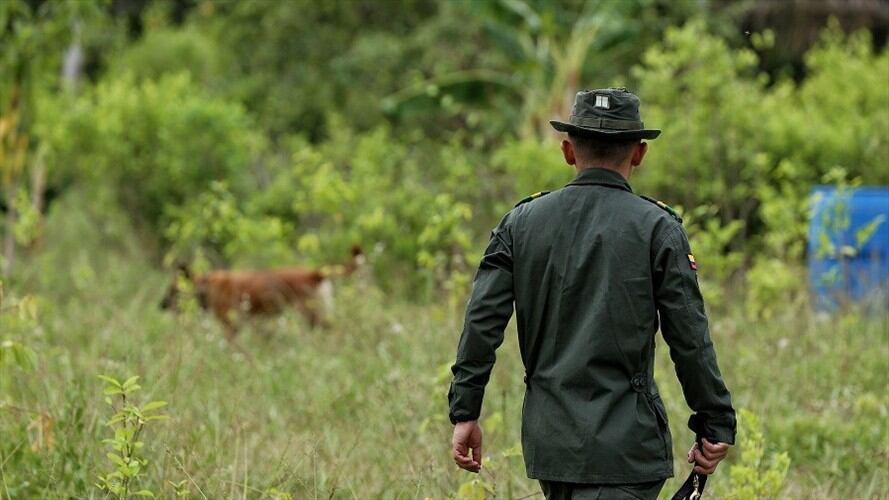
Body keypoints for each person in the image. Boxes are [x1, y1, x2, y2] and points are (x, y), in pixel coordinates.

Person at [447, 88, 736, 500]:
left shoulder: (520, 223)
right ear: (639, 153)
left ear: (568, 150)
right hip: (627, 447)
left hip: (551, 446)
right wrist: (716, 421)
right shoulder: (657, 227)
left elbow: (481, 324)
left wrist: (466, 411)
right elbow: (689, 337)